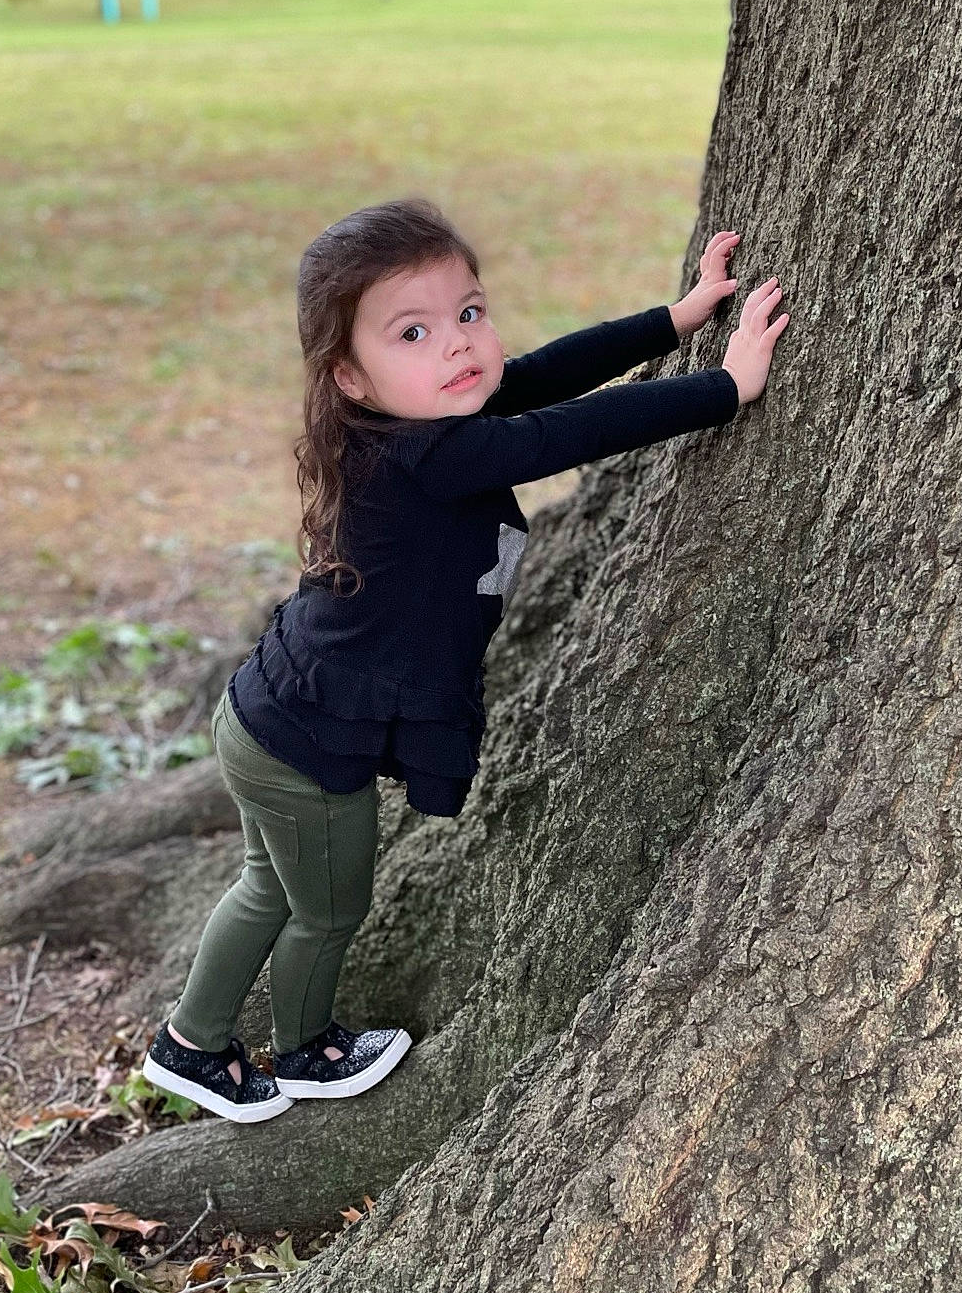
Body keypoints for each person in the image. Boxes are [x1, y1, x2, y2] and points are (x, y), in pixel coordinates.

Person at [141, 198, 788, 1122]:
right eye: (413, 331)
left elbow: (540, 378)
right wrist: (722, 389)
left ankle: (189, 1042)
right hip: (308, 749)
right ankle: (301, 1051)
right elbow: (563, 432)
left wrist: (674, 322)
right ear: (352, 379)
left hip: (266, 714)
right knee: (326, 908)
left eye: (468, 313)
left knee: (264, 885)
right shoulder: (430, 458)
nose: (458, 346)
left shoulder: (414, 428)